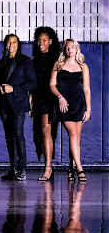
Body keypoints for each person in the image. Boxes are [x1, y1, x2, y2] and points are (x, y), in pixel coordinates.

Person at [50, 39, 91, 183]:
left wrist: (88, 109)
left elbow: (86, 89)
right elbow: (52, 85)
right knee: (73, 134)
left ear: (77, 49)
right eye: (67, 48)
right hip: (65, 105)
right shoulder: (58, 65)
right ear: (64, 50)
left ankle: (70, 168)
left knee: (75, 139)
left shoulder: (83, 66)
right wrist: (60, 97)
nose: (69, 50)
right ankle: (80, 168)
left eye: (72, 47)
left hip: (79, 104)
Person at [0, 34, 37, 181]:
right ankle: (13, 169)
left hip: (19, 104)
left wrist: (13, 89)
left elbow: (32, 83)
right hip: (5, 105)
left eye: (14, 42)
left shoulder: (25, 61)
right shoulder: (1, 63)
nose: (11, 45)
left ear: (18, 44)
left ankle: (22, 169)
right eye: (8, 42)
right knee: (9, 137)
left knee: (18, 135)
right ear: (5, 45)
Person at [29, 26, 60, 181]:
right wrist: (30, 102)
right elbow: (33, 83)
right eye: (39, 40)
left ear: (51, 42)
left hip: (51, 99)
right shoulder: (35, 60)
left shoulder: (56, 59)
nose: (41, 43)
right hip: (39, 100)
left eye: (44, 40)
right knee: (42, 133)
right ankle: (49, 166)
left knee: (47, 132)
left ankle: (48, 168)